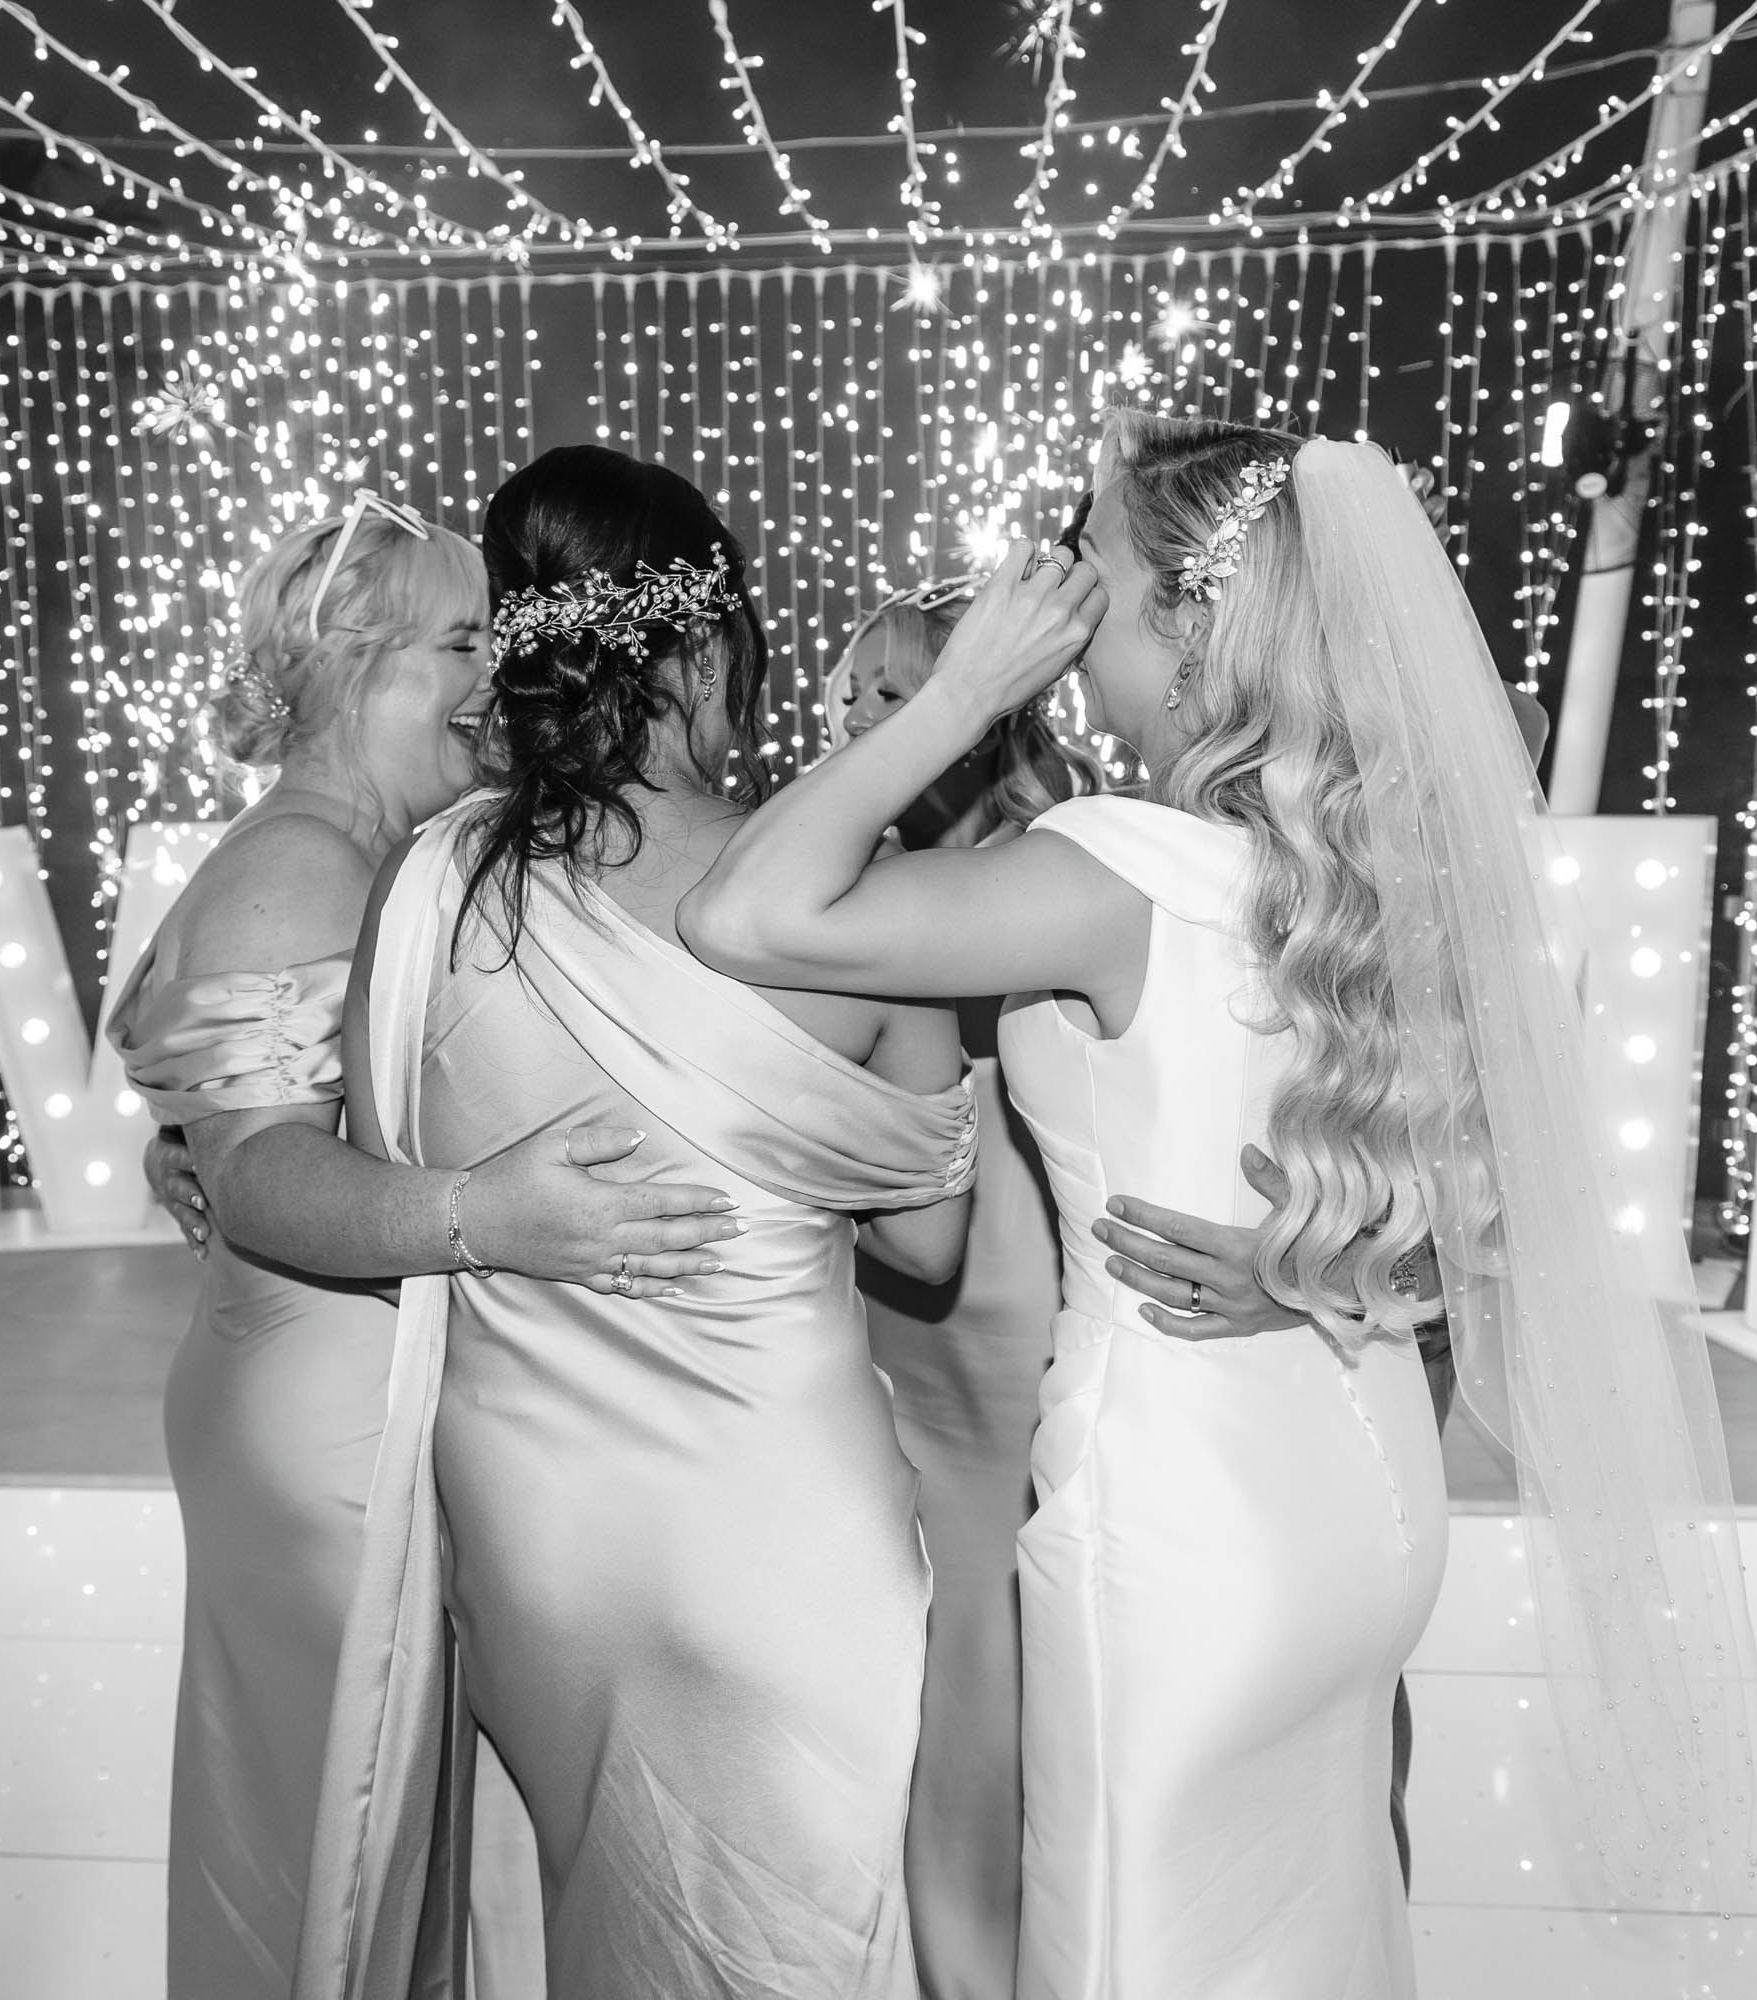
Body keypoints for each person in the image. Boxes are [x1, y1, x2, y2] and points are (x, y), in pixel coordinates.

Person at [682, 413, 1757, 1997]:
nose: (1067, 616)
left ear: (1198, 626)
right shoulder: (1370, 866)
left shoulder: (1115, 869)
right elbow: (1477, 1181)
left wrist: (964, 694)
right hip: (1360, 1494)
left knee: (1133, 1946)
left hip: (1178, 1521)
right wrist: (1314, 1269)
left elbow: (745, 910)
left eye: (1096, 582)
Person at [295, 447, 977, 2000]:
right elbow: (927, 1249)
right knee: (796, 1931)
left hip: (538, 1523)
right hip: (776, 1517)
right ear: (696, 643)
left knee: (597, 1905)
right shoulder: (851, 886)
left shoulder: (428, 886)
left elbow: (362, 1153)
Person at [108, 494, 739, 2000]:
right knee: (345, 1834)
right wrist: (491, 1213)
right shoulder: (304, 864)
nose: (491, 680)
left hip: (341, 1382)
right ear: (352, 662)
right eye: (462, 641)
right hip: (329, 1425)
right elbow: (263, 1176)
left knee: (389, 1833)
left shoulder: (362, 851)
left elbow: (256, 1116)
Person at [829, 589, 1299, 2000]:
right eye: (850, 698)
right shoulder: (1031, 857)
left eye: (877, 697)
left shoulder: (1021, 882)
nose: (849, 724)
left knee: (981, 1626)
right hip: (986, 1289)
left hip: (995, 1283)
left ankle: (985, 1960)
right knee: (982, 1624)